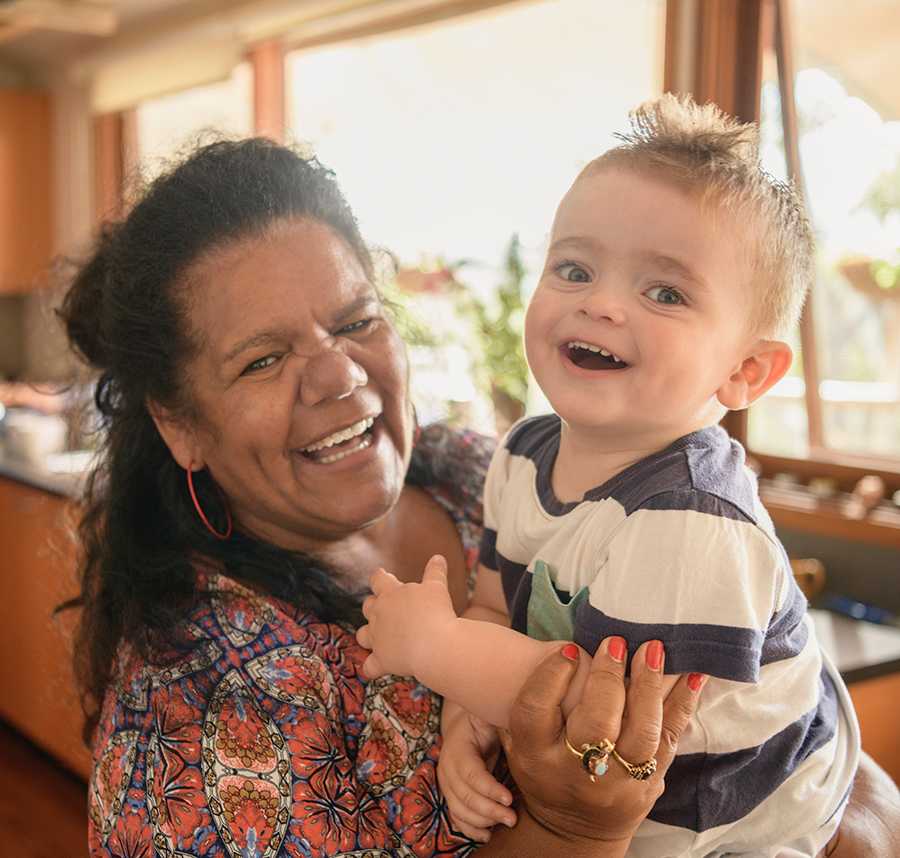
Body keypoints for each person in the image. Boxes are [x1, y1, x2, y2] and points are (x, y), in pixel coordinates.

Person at [61, 136, 896, 858]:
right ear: (180, 425)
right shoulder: (195, 718)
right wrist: (568, 824)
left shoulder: (470, 468)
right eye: (261, 360)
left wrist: (857, 801)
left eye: (355, 322)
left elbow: (766, 717)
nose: (340, 376)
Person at [358, 95, 860, 857]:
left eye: (665, 292)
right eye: (575, 268)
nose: (600, 304)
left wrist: (433, 648)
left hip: (752, 805)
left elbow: (607, 710)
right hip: (619, 781)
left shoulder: (690, 513)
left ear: (745, 371)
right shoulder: (524, 452)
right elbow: (499, 610)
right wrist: (466, 723)